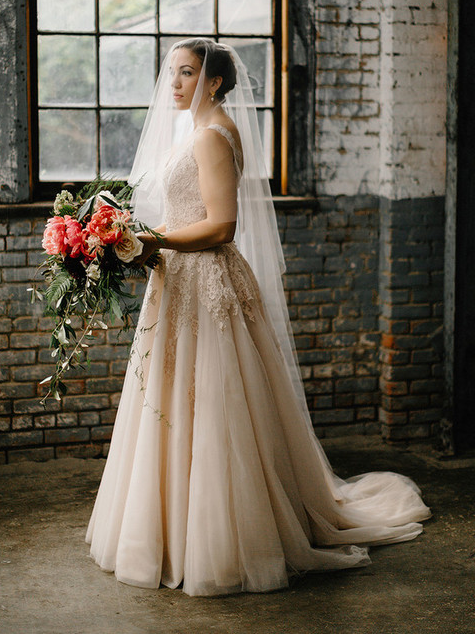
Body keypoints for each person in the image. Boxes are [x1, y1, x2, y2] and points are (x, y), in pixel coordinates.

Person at [86, 38, 431, 597]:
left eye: (186, 73)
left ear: (215, 81)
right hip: (178, 279)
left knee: (215, 402)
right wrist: (138, 241)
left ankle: (220, 539)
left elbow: (222, 226)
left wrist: (151, 241)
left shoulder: (214, 136)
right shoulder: (197, 132)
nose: (173, 83)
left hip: (204, 279)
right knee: (172, 400)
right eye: (170, 73)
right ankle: (171, 529)